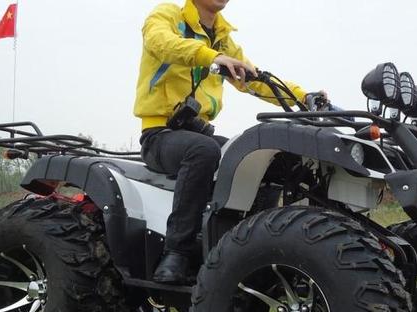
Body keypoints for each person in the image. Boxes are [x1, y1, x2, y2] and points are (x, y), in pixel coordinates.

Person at [134, 0, 314, 284]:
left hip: (199, 132)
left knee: (257, 157)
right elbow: (162, 43)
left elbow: (255, 79)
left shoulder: (222, 38)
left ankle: (249, 247)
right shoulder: (167, 15)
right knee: (203, 152)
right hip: (160, 135)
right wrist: (210, 57)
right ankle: (176, 252)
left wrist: (305, 98)